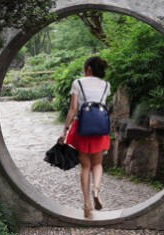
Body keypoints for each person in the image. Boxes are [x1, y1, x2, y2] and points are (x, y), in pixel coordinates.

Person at [59, 56, 111, 218]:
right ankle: (96, 190)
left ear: (88, 68)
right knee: (97, 164)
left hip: (82, 128)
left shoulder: (78, 83)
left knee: (86, 166)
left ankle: (87, 204)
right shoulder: (106, 85)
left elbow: (73, 109)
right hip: (100, 129)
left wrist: (65, 129)